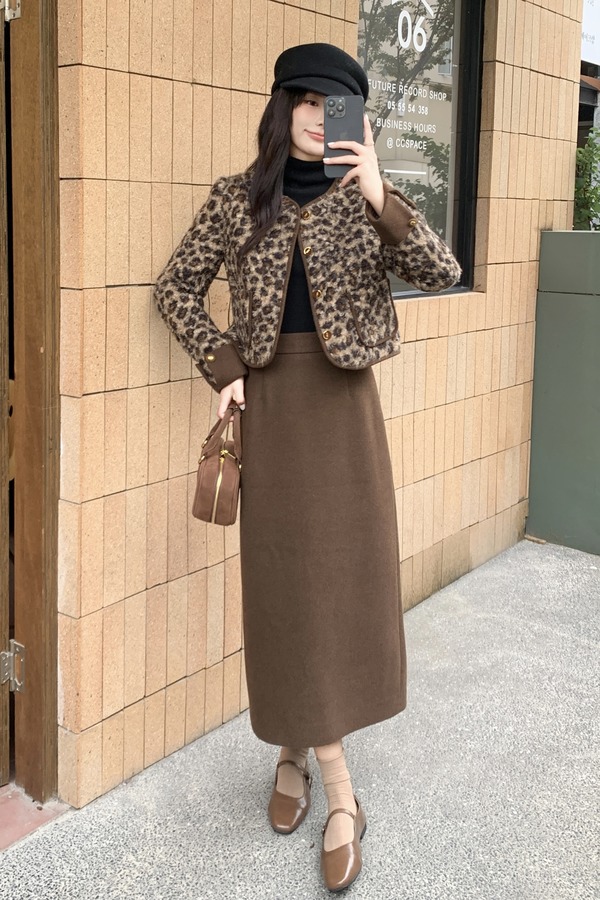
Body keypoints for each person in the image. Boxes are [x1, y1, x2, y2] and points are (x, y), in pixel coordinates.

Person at [155, 42, 461, 893]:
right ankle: (332, 782)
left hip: (344, 413)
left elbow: (441, 270)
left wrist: (381, 193)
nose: (322, 119)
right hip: (275, 413)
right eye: (310, 102)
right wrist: (224, 367)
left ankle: (308, 766)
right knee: (287, 587)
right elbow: (175, 288)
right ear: (284, 105)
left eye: (338, 107)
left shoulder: (362, 197)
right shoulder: (236, 199)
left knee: (340, 585)